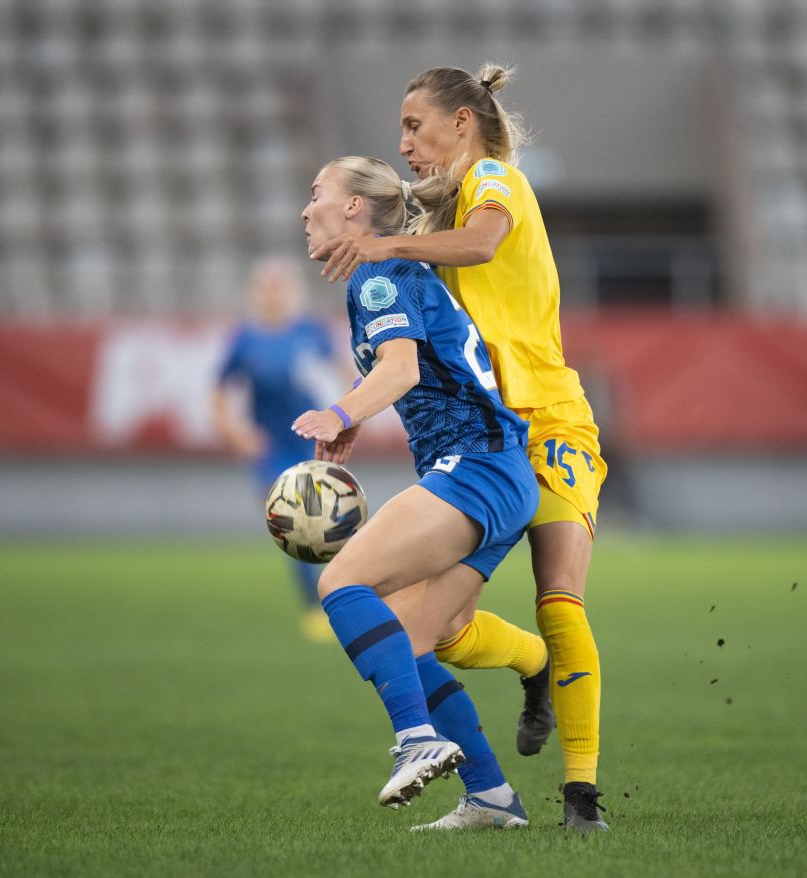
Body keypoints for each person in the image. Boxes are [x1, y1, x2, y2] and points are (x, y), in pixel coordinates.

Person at [313, 64, 610, 831]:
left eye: (415, 125)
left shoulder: (492, 178)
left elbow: (481, 246)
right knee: (429, 633)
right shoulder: (428, 240)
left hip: (546, 419)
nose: (404, 141)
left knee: (559, 596)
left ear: (462, 122)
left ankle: (582, 798)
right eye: (401, 129)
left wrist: (385, 250)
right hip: (494, 437)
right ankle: (494, 787)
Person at [296, 155, 539, 829]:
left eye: (317, 193)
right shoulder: (393, 272)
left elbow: (400, 368)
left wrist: (341, 413)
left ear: (353, 209)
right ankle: (491, 796)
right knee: (409, 637)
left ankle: (416, 738)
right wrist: (353, 414)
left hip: (476, 468)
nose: (304, 208)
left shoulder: (377, 274)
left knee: (341, 584)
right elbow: (415, 369)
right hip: (499, 475)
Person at [210, 257, 340, 642]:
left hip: (311, 441)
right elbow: (218, 392)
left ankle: (341, 595)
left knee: (330, 523)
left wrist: (344, 416)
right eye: (267, 287)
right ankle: (313, 607)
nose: (274, 294)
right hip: (273, 449)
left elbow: (344, 376)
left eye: (280, 286)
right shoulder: (245, 339)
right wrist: (237, 433)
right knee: (297, 523)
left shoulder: (311, 332)